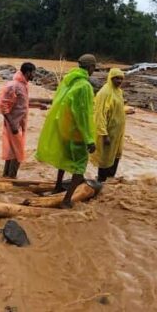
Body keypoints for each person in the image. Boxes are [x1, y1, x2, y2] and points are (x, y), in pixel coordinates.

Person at [36, 54, 97, 208]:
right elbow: (83, 115)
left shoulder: (69, 80)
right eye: (94, 67)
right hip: (77, 133)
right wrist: (89, 138)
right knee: (79, 166)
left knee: (64, 160)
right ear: (90, 68)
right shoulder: (84, 86)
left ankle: (57, 187)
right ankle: (66, 200)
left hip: (65, 130)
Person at [0, 63, 36, 179]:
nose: (35, 75)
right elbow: (3, 106)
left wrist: (37, 104)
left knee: (12, 152)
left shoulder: (23, 85)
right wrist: (13, 125)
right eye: (34, 72)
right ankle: (12, 178)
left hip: (18, 124)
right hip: (13, 125)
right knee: (18, 153)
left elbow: (22, 103)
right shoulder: (14, 86)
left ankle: (6, 177)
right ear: (28, 73)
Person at [91, 68, 126, 182]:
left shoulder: (119, 91)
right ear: (111, 78)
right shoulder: (104, 93)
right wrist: (104, 134)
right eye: (117, 78)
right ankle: (101, 179)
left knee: (116, 154)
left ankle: (110, 178)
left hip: (118, 131)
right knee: (105, 156)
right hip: (108, 132)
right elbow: (99, 114)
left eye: (121, 78)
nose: (119, 81)